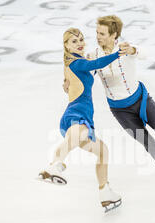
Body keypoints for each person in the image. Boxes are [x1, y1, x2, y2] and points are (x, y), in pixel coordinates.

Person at [65, 15, 155, 196]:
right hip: (120, 111)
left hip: (142, 101)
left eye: (102, 33)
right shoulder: (93, 56)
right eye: (97, 32)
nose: (98, 36)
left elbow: (144, 53)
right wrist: (69, 81)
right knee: (149, 144)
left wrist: (132, 49)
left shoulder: (125, 48)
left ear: (114, 34)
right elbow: (84, 75)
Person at [39, 28, 126, 211]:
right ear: (66, 46)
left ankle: (105, 192)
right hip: (76, 114)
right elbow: (98, 63)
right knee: (73, 139)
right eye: (73, 41)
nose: (79, 43)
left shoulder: (72, 63)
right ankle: (54, 165)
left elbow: (73, 80)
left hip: (82, 115)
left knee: (102, 151)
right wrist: (117, 54)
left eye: (80, 39)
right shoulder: (77, 63)